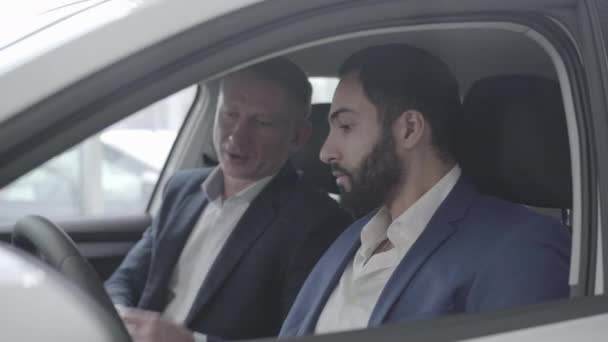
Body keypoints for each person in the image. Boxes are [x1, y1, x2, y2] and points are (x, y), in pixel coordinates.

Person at [279, 44, 571, 337]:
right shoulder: (352, 237)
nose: (325, 152)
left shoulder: (519, 248)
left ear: (409, 129)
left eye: (345, 126)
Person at [105, 57, 352, 342]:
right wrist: (121, 317)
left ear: (297, 137)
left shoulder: (318, 222)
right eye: (230, 114)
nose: (237, 136)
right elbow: (125, 279)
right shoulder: (181, 189)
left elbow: (298, 336)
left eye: (261, 122)